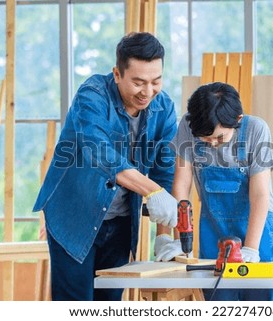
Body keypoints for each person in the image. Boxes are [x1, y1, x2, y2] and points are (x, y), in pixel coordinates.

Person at [33, 32, 178, 301]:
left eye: (156, 81)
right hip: (74, 215)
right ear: (117, 74)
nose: (148, 92)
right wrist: (152, 191)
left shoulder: (164, 107)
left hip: (122, 221)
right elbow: (100, 153)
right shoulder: (92, 95)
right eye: (138, 82)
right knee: (76, 304)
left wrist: (164, 235)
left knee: (110, 303)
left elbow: (165, 170)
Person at [154, 82, 273, 301]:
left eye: (220, 137)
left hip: (259, 231)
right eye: (206, 139)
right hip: (214, 231)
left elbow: (260, 194)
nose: (213, 144)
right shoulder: (188, 126)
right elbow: (181, 186)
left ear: (238, 120)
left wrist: (251, 249)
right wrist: (180, 240)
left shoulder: (255, 129)